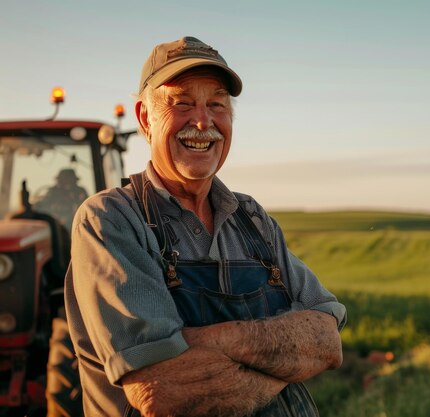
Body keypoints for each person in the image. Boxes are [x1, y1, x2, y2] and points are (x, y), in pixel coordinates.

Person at [65, 36, 346, 417]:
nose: (203, 121)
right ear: (146, 118)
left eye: (217, 104)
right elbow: (163, 392)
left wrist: (204, 341)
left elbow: (327, 340)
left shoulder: (252, 218)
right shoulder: (112, 220)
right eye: (182, 103)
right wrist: (286, 362)